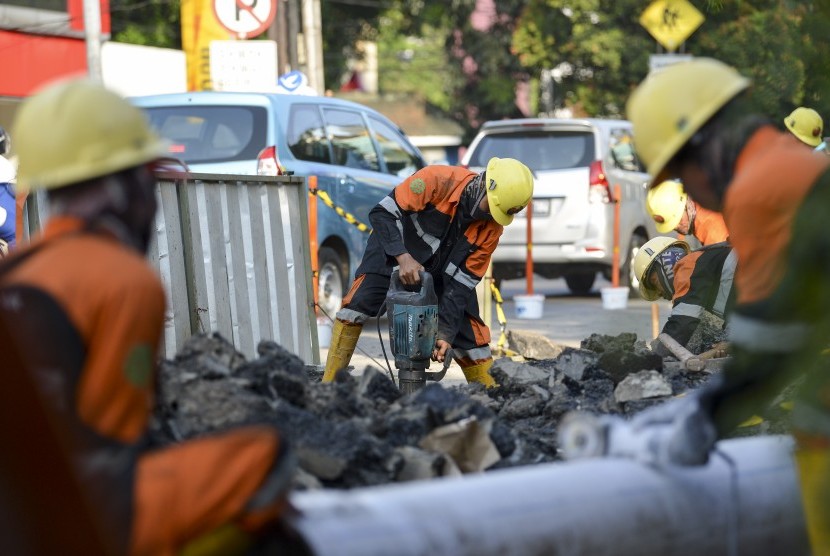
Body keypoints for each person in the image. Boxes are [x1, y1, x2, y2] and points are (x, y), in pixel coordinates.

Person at [0, 79, 297, 555]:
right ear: (125, 184)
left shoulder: (16, 270)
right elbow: (112, 444)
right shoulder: (121, 280)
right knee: (264, 457)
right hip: (73, 519)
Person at [628, 57, 830, 554]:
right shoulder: (794, 163)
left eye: (679, 173)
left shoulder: (758, 190)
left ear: (703, 146)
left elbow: (770, 354)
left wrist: (701, 418)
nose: (690, 192)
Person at [322, 157, 534, 387]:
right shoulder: (437, 180)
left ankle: (494, 398)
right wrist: (403, 258)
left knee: (472, 335)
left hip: (443, 275)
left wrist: (445, 333)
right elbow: (381, 214)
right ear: (483, 185)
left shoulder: (492, 229)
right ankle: (329, 385)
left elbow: (462, 285)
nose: (491, 216)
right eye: (491, 208)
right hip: (394, 250)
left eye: (498, 213)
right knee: (357, 304)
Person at [633, 236, 736, 354]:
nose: (660, 294)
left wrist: (657, 358)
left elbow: (682, 324)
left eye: (654, 282)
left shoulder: (688, 267)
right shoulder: (708, 264)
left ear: (665, 266)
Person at [646, 179, 729, 246]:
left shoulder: (712, 232)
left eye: (677, 220)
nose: (676, 227)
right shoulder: (697, 205)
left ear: (685, 205)